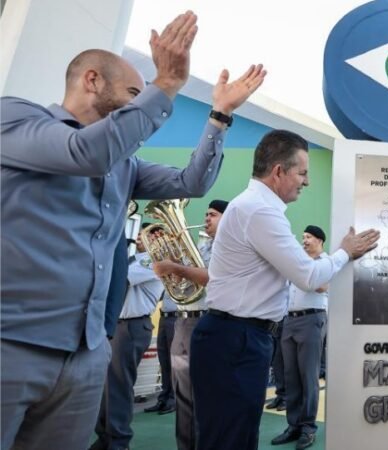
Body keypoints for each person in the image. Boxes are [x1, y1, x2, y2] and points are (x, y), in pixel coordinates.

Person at [0, 10, 266, 448]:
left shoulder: (123, 164)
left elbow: (191, 183)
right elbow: (84, 154)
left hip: (85, 357)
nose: (142, 105)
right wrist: (165, 85)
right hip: (12, 345)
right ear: (91, 80)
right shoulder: (16, 118)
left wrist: (219, 116)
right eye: (132, 93)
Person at [190, 129, 380, 450]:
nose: (306, 182)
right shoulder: (260, 211)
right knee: (230, 438)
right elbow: (307, 274)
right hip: (237, 339)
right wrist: (345, 251)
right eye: (302, 173)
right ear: (278, 171)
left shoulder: (256, 207)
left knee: (233, 434)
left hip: (237, 336)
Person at [152, 199, 228, 450]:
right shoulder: (201, 245)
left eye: (213, 214)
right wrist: (171, 261)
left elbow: (212, 278)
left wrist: (176, 266)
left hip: (206, 322)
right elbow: (183, 282)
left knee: (204, 396)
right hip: (182, 324)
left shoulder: (228, 246)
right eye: (206, 214)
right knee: (183, 394)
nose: (207, 218)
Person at [91, 226, 164, 450]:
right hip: (119, 325)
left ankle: (117, 442)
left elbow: (120, 278)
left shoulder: (151, 261)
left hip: (131, 327)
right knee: (106, 387)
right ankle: (105, 437)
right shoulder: (134, 258)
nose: (140, 237)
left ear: (157, 238)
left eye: (147, 233)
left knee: (118, 387)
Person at [274, 225, 331, 449]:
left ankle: (308, 427)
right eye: (303, 237)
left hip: (312, 319)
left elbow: (320, 286)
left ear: (320, 240)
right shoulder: (300, 263)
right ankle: (293, 426)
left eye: (308, 237)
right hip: (290, 320)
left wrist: (300, 267)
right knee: (291, 377)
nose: (304, 241)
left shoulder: (324, 262)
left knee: (308, 377)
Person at [145, 293, 178, 415]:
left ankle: (173, 399)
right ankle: (163, 398)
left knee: (173, 361)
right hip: (163, 317)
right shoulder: (164, 277)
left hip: (177, 317)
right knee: (163, 360)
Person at [265, 320, 287, 411]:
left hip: (289, 321)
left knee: (286, 363)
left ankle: (287, 399)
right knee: (277, 364)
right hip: (277, 324)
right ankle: (280, 395)